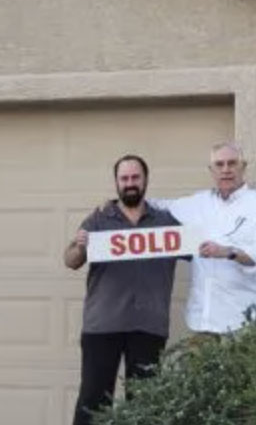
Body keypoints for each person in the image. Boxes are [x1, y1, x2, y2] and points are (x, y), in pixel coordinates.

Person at [64, 154, 181, 425]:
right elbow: (71, 261)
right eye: (124, 178)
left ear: (145, 180)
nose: (130, 183)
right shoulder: (99, 219)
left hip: (148, 326)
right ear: (116, 182)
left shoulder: (165, 222)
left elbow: (197, 249)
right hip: (103, 325)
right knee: (93, 401)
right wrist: (79, 244)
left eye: (135, 177)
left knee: (145, 404)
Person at [156, 142, 256, 334]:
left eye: (232, 163)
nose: (226, 170)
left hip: (243, 322)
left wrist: (227, 252)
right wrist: (115, 205)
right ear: (211, 170)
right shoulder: (198, 203)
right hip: (202, 320)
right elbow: (158, 206)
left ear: (243, 167)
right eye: (219, 165)